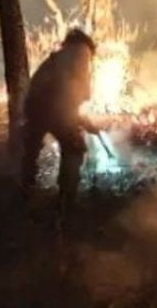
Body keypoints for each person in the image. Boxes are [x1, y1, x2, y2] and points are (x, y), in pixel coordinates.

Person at [20, 28, 102, 207]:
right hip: (54, 107)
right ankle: (67, 199)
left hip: (34, 106)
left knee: (30, 151)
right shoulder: (82, 52)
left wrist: (78, 117)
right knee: (75, 148)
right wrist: (77, 118)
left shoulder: (57, 56)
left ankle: (24, 191)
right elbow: (75, 91)